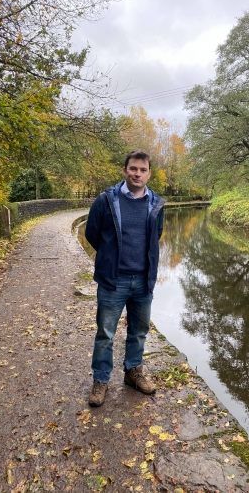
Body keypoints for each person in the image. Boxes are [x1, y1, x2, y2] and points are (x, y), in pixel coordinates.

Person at [85, 149, 166, 407]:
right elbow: (92, 233)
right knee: (106, 333)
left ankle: (133, 373)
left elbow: (157, 236)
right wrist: (110, 257)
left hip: (143, 280)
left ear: (149, 173)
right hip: (114, 280)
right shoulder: (106, 200)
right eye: (133, 168)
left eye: (143, 170)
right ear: (125, 170)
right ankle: (101, 380)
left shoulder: (156, 204)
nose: (137, 173)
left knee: (139, 332)